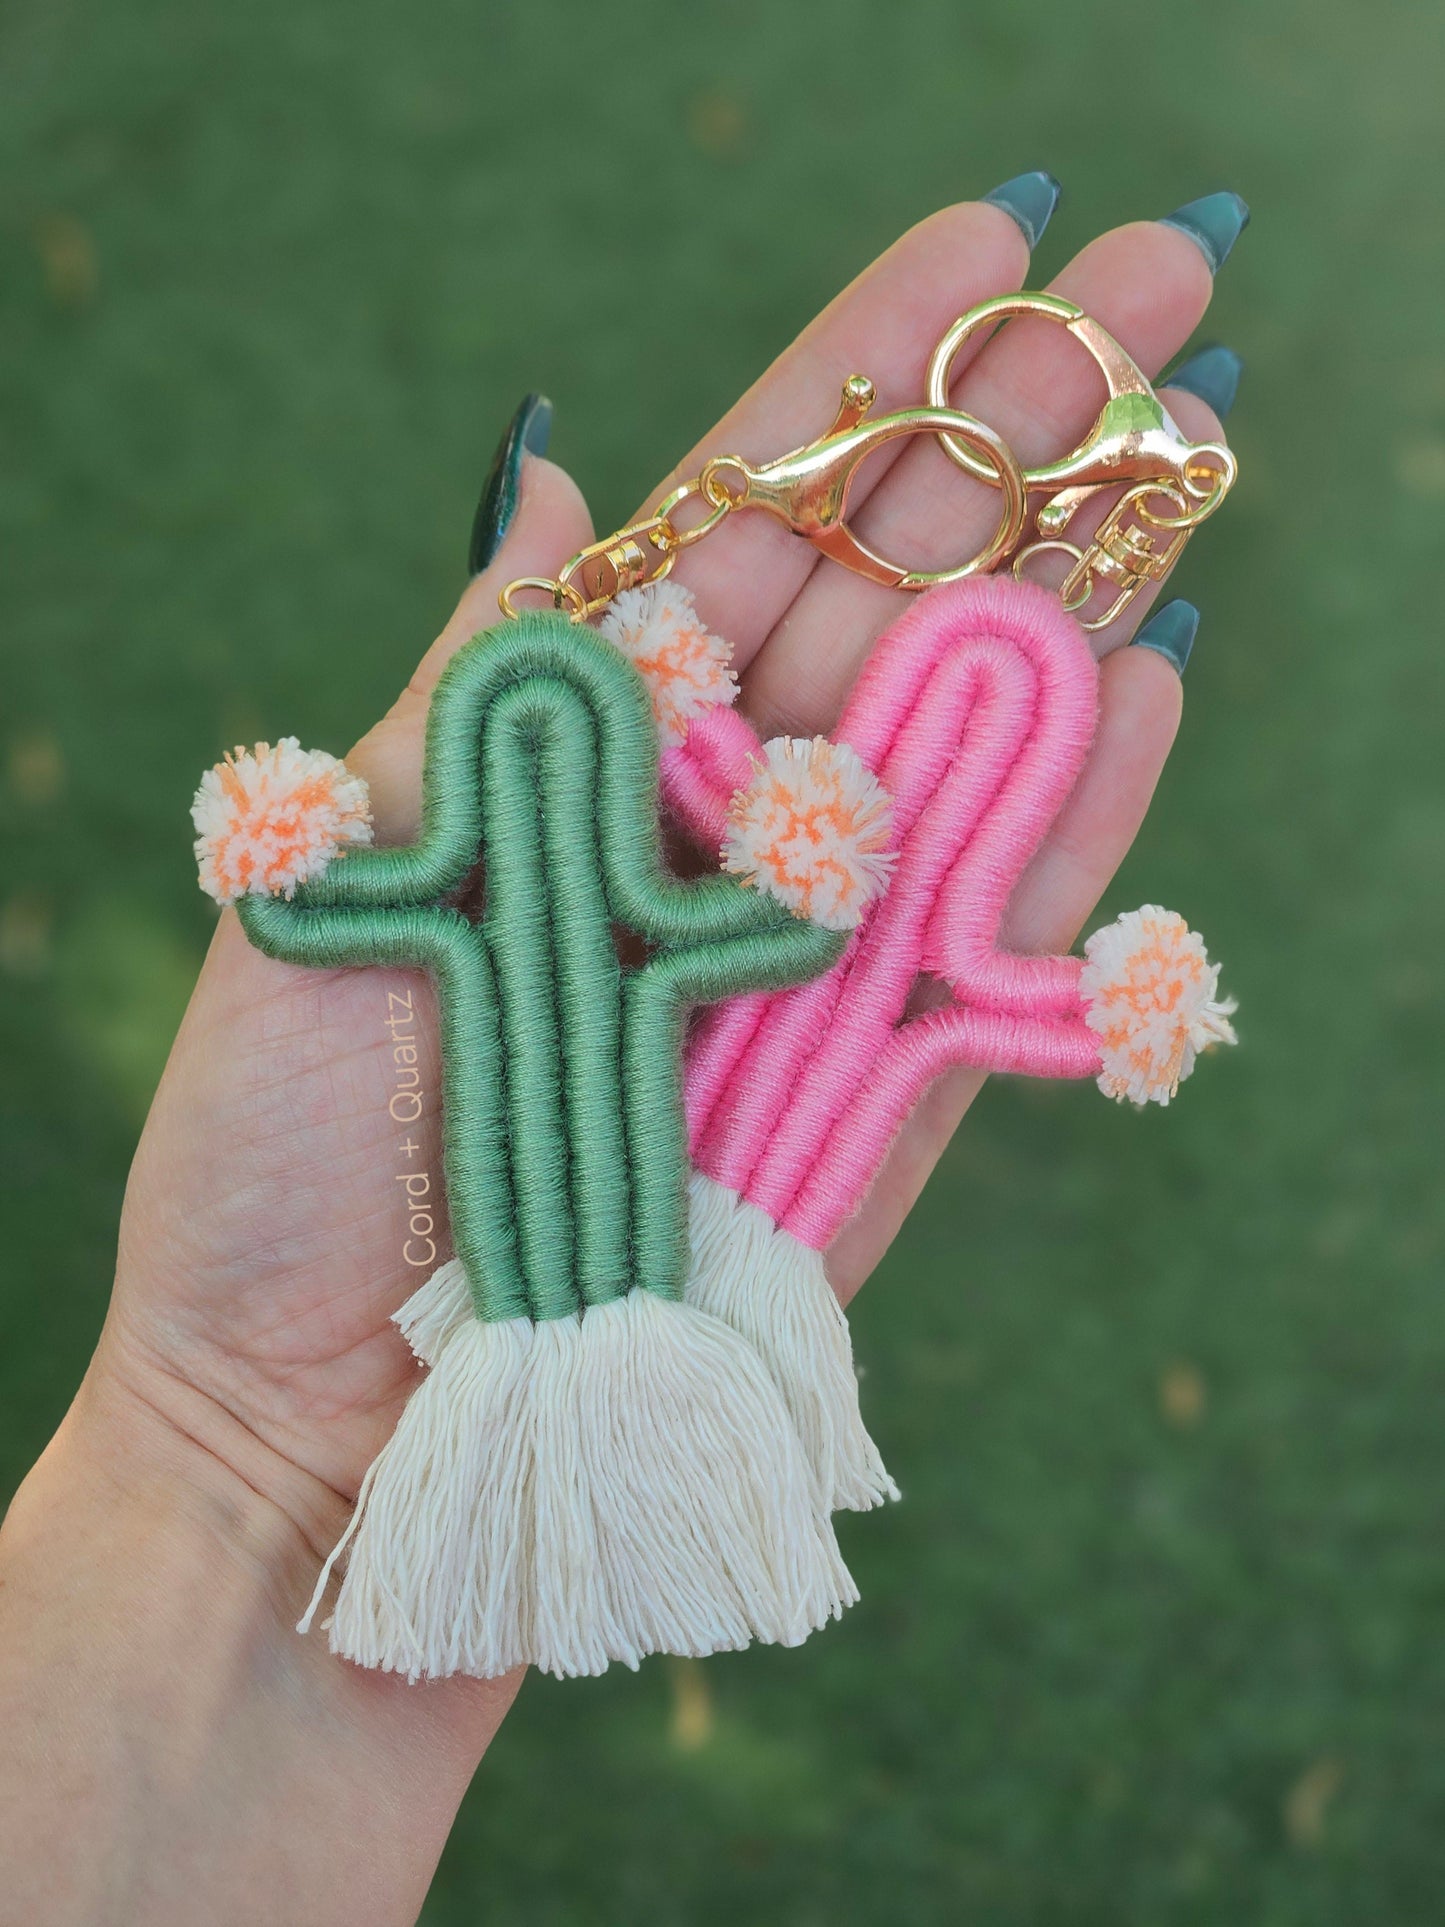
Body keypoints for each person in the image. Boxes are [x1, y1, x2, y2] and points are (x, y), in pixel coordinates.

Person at [0, 176, 1245, 1925]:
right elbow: (765, 897)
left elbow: (791, 905)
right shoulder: (531, 908)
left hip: (633, 1267)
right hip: (592, 1285)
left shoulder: (591, 915)